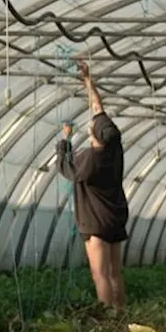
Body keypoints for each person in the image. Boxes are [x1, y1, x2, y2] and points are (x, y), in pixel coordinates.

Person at [56, 62, 129, 313]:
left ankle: (108, 317)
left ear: (95, 136)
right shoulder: (114, 148)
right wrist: (88, 81)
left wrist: (65, 138)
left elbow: (65, 168)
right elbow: (98, 108)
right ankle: (121, 313)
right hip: (115, 218)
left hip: (95, 222)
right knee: (115, 272)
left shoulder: (89, 160)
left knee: (100, 275)